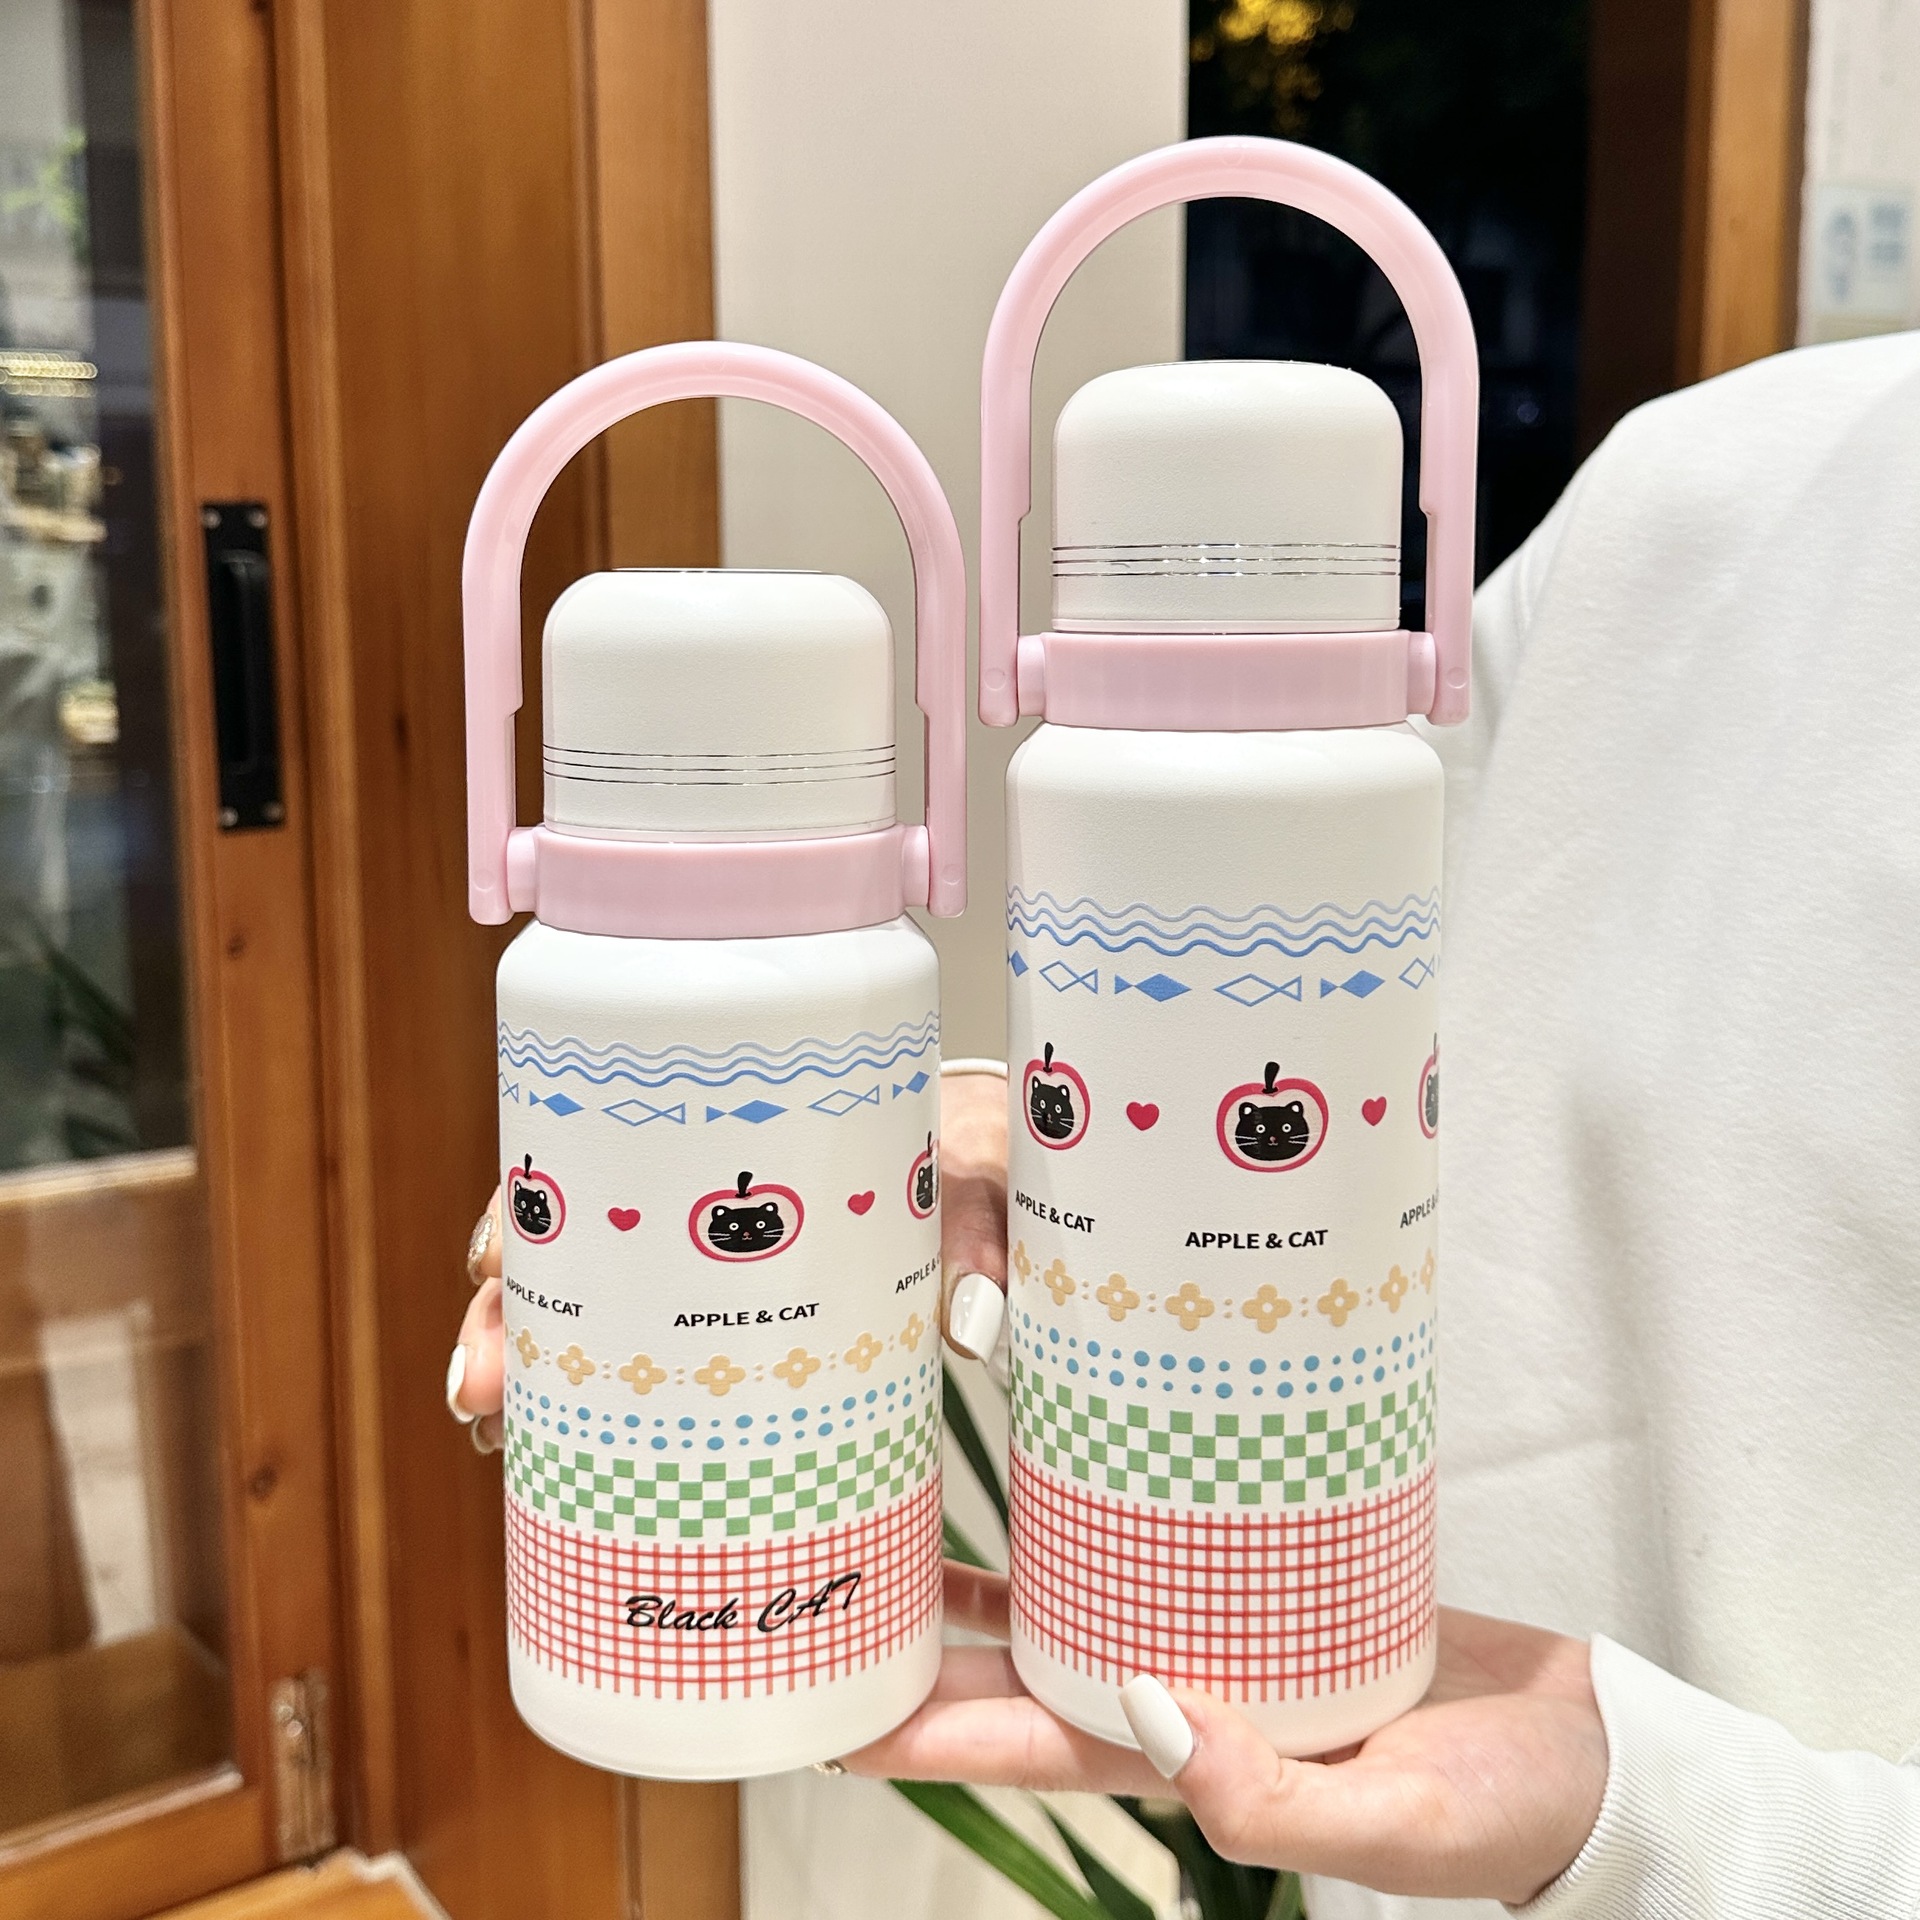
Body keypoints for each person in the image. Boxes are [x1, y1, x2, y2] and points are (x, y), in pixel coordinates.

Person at [449, 332, 1920, 1915]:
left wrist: (1689, 1827)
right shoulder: (1684, 497)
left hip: (1462, 1646)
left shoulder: (1445, 697)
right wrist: (983, 1135)